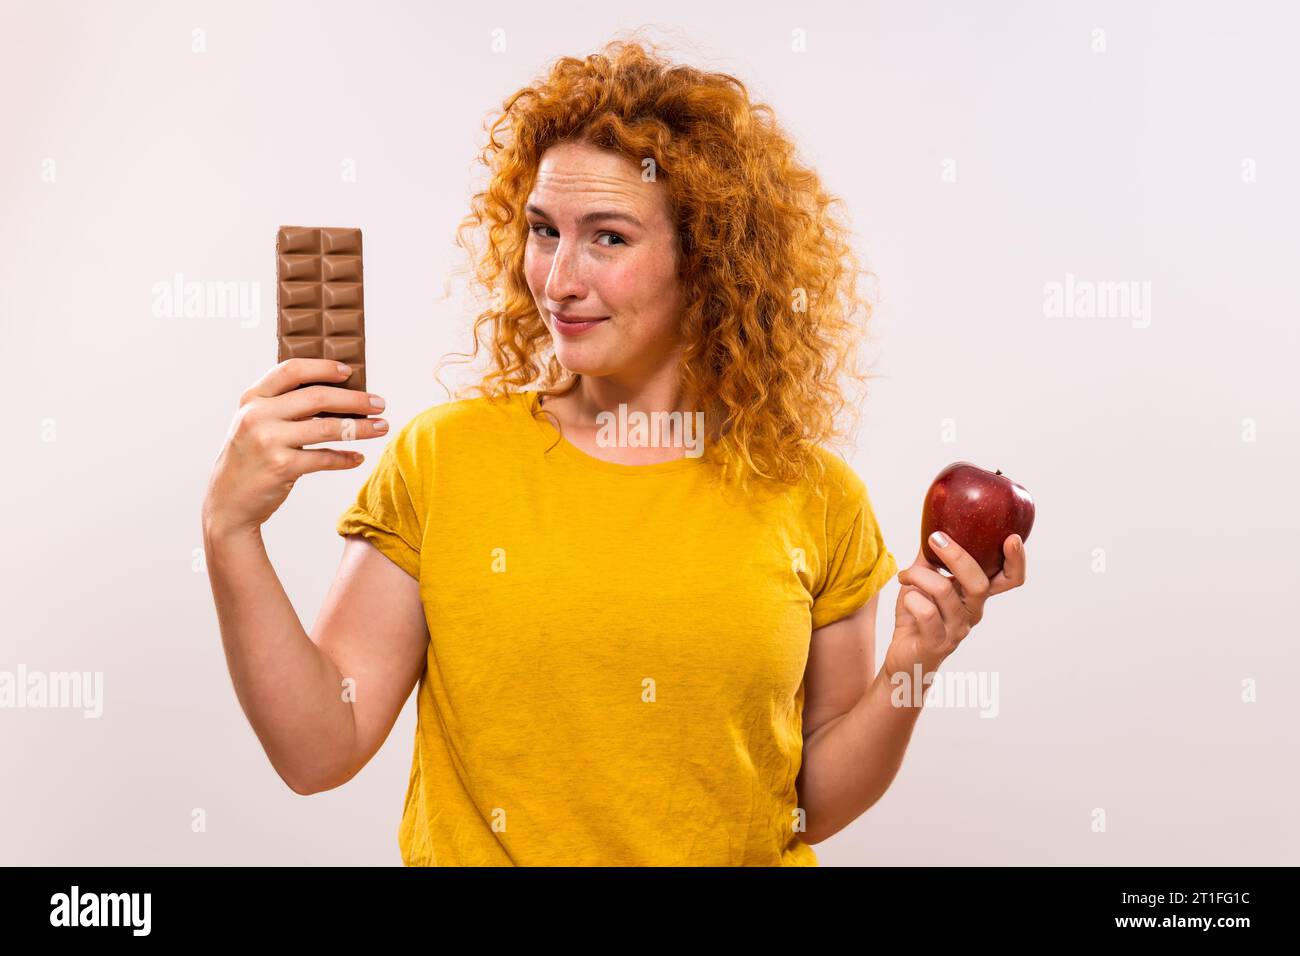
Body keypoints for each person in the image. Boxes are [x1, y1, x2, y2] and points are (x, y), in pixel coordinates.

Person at [201, 38, 1028, 867]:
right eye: (542, 230)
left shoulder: (812, 494)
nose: (558, 278)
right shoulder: (444, 460)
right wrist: (231, 531)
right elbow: (320, 751)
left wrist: (914, 664)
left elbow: (811, 803)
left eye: (608, 238)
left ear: (704, 260)